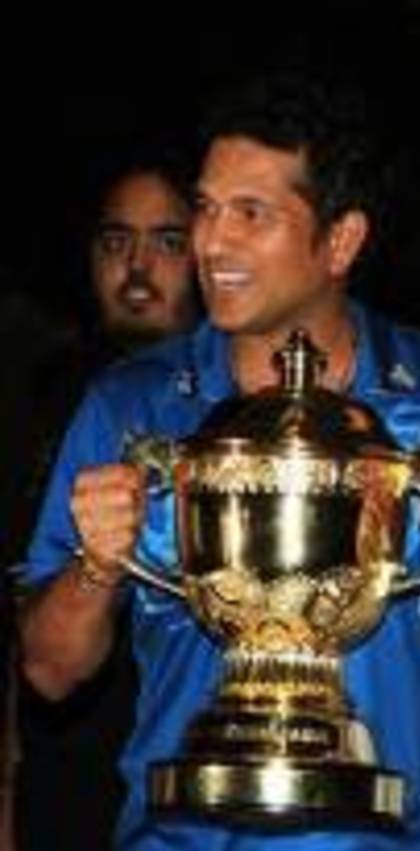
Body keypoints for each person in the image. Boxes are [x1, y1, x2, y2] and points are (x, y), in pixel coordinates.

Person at [16, 74, 420, 850]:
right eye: (205, 208)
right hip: (179, 836)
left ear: (341, 240)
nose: (209, 242)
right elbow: (48, 671)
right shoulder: (131, 405)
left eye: (251, 214)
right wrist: (97, 566)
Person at [12, 153, 199, 851]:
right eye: (117, 242)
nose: (139, 268)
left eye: (167, 242)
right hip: (61, 770)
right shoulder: (45, 397)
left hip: (182, 783)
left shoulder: (234, 407)